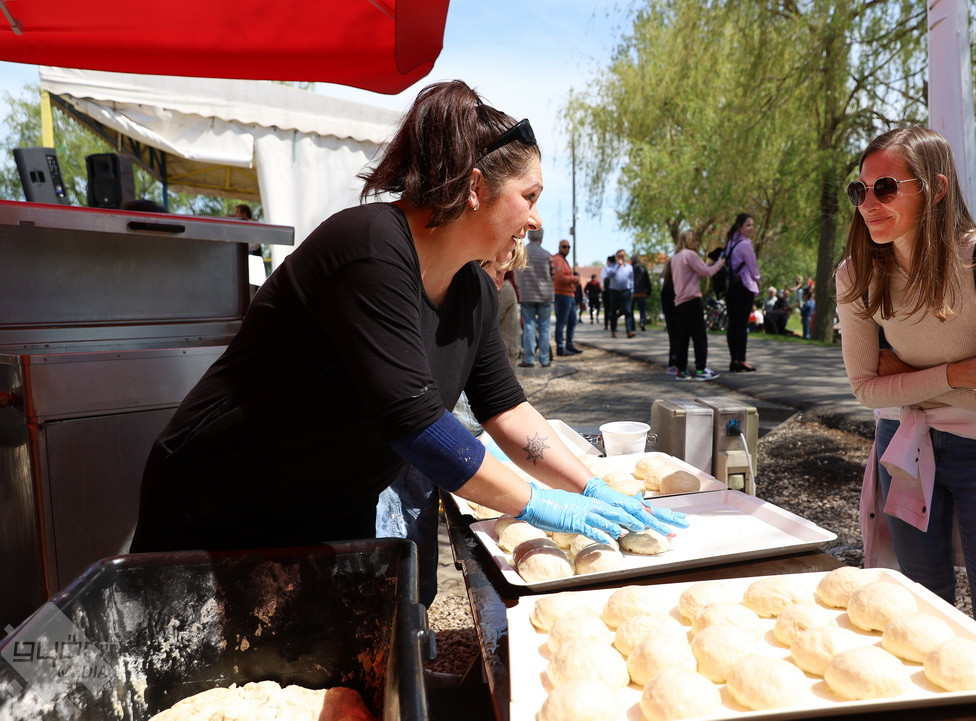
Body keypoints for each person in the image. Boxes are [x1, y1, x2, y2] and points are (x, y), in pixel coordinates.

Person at [128, 81, 685, 606]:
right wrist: (536, 502)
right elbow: (415, 423)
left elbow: (506, 408)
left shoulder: (474, 291)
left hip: (328, 511)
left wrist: (590, 487)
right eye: (530, 196)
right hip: (223, 505)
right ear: (476, 188)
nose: (536, 220)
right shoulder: (370, 247)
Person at [835, 126, 976, 660]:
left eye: (885, 188)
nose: (868, 204)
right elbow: (866, 390)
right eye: (859, 190)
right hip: (905, 446)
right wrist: (958, 373)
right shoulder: (856, 273)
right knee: (920, 615)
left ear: (936, 188)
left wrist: (906, 378)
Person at [669, 230, 725, 381]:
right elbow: (707, 272)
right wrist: (720, 262)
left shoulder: (675, 257)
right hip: (692, 300)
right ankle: (701, 369)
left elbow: (694, 272)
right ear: (692, 241)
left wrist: (708, 266)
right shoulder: (690, 255)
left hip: (679, 302)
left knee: (682, 338)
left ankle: (681, 371)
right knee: (699, 336)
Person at [722, 213, 760, 372]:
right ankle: (741, 360)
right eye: (748, 225)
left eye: (752, 225)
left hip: (731, 287)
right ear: (739, 226)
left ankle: (734, 360)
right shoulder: (745, 244)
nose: (751, 228)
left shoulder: (730, 243)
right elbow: (753, 268)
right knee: (741, 324)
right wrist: (758, 281)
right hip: (744, 286)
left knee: (733, 324)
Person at [515, 227, 554, 367]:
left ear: (529, 236)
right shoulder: (547, 255)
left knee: (528, 327)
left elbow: (516, 273)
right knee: (545, 327)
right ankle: (544, 359)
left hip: (527, 295)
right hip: (545, 295)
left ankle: (529, 359)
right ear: (541, 238)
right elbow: (553, 275)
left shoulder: (522, 253)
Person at [550, 238, 582, 356]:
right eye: (564, 246)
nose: (567, 249)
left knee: (572, 320)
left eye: (568, 247)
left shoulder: (564, 260)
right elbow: (560, 278)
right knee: (561, 322)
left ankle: (569, 344)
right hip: (562, 294)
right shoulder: (557, 259)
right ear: (559, 247)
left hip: (569, 294)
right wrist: (574, 278)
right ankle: (560, 347)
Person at [605, 248, 636, 338]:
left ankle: (629, 331)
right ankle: (613, 330)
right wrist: (617, 266)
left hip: (626, 291)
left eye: (622, 256)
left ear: (625, 256)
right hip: (614, 291)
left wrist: (632, 291)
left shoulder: (629, 267)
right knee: (613, 311)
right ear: (616, 257)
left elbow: (631, 280)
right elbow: (608, 275)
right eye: (619, 256)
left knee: (627, 311)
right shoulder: (611, 266)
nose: (621, 257)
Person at [660, 259, 682, 374]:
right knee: (677, 339)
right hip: (674, 313)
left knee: (674, 339)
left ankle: (673, 362)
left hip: (670, 314)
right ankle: (674, 363)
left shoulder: (666, 282)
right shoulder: (673, 282)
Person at [631, 254, 652, 331]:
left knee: (631, 310)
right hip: (642, 292)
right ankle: (642, 322)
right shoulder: (643, 269)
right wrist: (649, 292)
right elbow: (647, 281)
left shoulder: (630, 269)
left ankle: (632, 325)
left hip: (632, 292)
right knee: (642, 310)